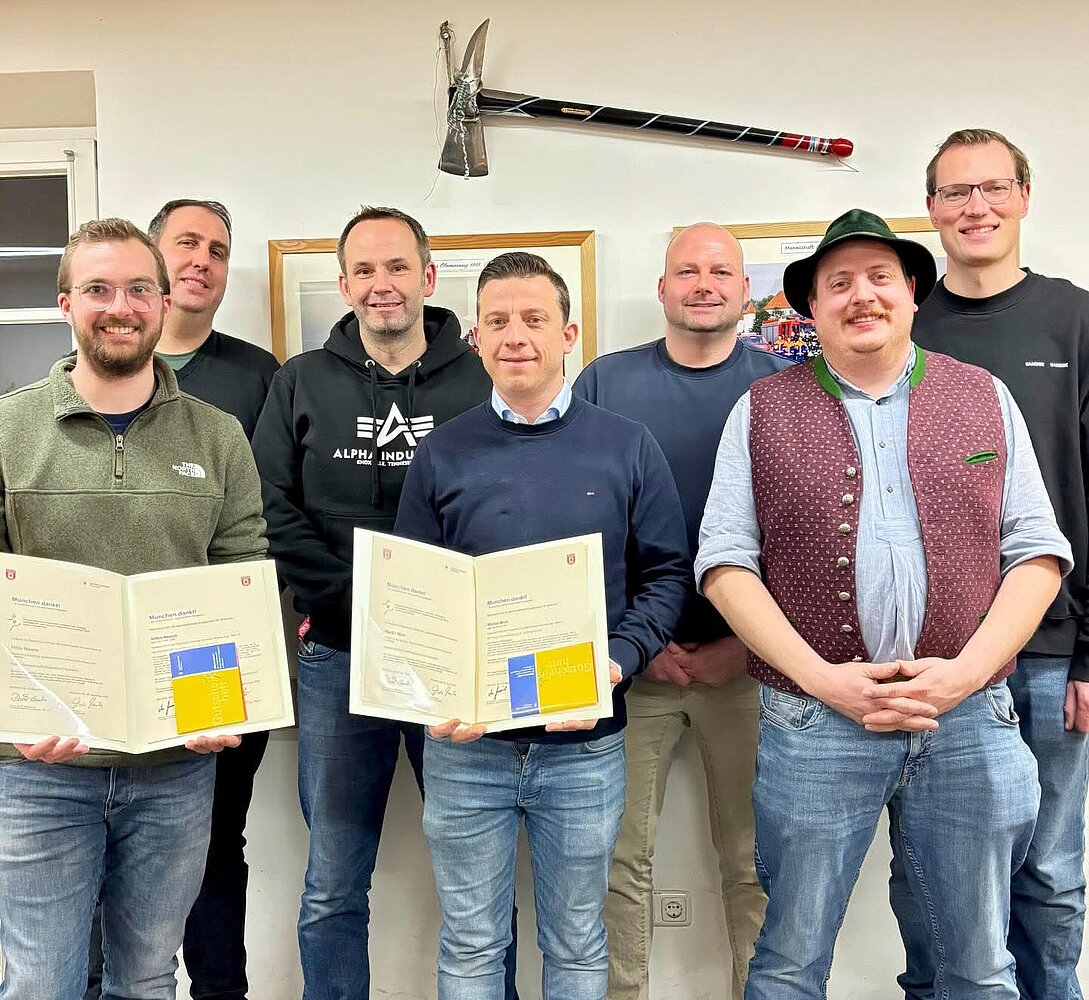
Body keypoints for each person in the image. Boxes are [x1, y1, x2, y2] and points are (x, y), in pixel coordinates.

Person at [695, 209, 1071, 999]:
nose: (860, 296)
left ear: (909, 292)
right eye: (838, 283)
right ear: (811, 306)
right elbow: (725, 564)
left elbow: (1036, 552)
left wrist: (964, 674)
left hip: (968, 720)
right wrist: (824, 680)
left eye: (878, 278)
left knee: (979, 967)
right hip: (812, 720)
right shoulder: (760, 409)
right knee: (789, 962)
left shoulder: (983, 396)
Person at [395, 251, 690, 1000]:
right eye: (496, 321)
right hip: (467, 751)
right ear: (476, 338)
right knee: (470, 945)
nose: (515, 336)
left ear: (568, 334)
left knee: (579, 943)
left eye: (533, 319)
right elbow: (413, 595)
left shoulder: (627, 444)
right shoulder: (442, 451)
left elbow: (666, 575)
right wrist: (429, 689)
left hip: (584, 748)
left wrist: (616, 660)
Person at [0, 217, 267, 999]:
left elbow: (239, 576)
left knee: (146, 978)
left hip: (174, 768)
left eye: (138, 289)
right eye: (98, 289)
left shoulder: (218, 437)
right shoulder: (7, 430)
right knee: (40, 983)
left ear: (162, 301)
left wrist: (223, 705)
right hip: (40, 768)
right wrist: (12, 716)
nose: (120, 307)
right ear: (67, 304)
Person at [251, 206, 500, 1000]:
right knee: (332, 875)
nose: (381, 284)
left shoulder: (483, 377)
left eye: (396, 267)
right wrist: (354, 601)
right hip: (337, 654)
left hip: (455, 661)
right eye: (364, 270)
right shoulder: (300, 381)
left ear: (428, 277)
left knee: (477, 875)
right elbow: (269, 506)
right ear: (344, 284)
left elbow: (508, 503)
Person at [890, 128, 1089, 1000]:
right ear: (930, 208)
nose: (975, 207)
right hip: (929, 657)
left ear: (1023, 197)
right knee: (927, 873)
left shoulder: (1075, 319)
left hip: (1049, 649)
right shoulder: (904, 326)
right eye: (955, 192)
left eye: (993, 188)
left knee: (1046, 873)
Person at [573, 223, 785, 998]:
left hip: (751, 670)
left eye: (720, 272)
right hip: (632, 671)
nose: (703, 284)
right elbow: (579, 526)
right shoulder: (604, 384)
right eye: (686, 271)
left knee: (757, 864)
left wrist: (746, 646)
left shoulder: (784, 390)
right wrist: (638, 643)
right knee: (614, 862)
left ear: (744, 292)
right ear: (662, 288)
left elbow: (805, 534)